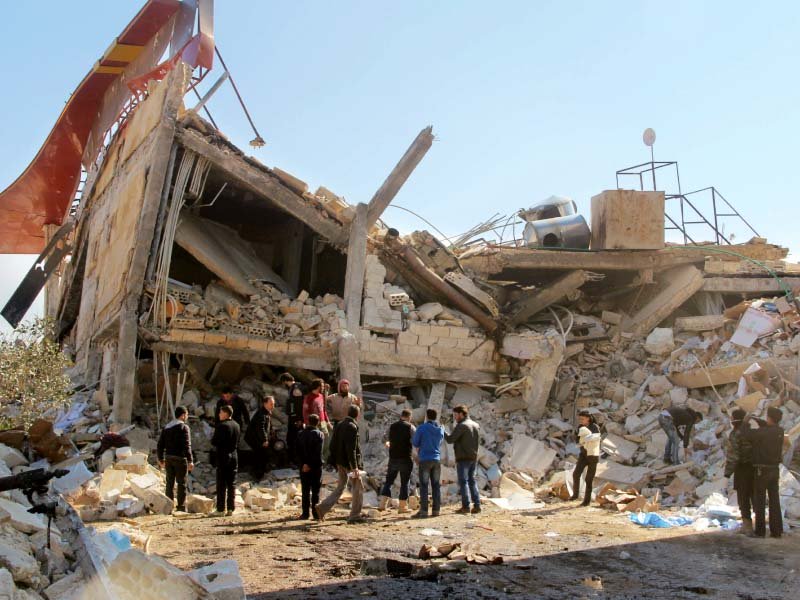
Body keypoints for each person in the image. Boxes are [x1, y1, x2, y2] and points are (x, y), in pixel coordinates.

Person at [315, 405, 365, 523]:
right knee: (358, 487)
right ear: (357, 415)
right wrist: (354, 467)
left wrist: (335, 461)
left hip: (340, 462)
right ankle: (355, 515)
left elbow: (333, 445)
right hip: (349, 464)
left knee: (341, 486)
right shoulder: (352, 427)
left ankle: (322, 508)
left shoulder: (339, 425)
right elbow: (351, 449)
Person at [742, 406, 785, 538]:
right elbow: (767, 428)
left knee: (759, 500)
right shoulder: (780, 431)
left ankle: (760, 531)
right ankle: (776, 531)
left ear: (770, 418)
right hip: (774, 469)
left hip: (762, 470)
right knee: (774, 500)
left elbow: (747, 434)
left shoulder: (763, 433)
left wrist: (745, 421)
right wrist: (759, 420)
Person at [445, 405, 482, 515]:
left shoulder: (461, 426)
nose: (455, 417)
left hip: (463, 458)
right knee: (472, 481)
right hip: (473, 457)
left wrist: (443, 431)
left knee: (464, 482)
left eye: (456, 415)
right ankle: (477, 505)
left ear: (461, 414)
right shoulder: (476, 425)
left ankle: (465, 507)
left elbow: (451, 439)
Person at [157, 405, 194, 513]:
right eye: (186, 414)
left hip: (168, 458)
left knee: (169, 483)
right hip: (180, 458)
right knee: (181, 483)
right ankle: (181, 507)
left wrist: (161, 458)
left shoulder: (167, 427)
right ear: (183, 415)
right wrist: (190, 460)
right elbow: (187, 445)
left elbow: (160, 445)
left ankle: (168, 507)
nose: (187, 417)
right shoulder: (184, 427)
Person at [378, 409, 416, 514]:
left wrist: (388, 443)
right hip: (405, 458)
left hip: (393, 458)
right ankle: (402, 507)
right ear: (409, 417)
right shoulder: (411, 427)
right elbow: (416, 441)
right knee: (405, 482)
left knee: (389, 481)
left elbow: (384, 438)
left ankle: (382, 504)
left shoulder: (392, 426)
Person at [724, 408, 754, 536]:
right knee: (755, 496)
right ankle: (759, 526)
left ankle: (747, 526)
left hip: (742, 469)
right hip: (754, 468)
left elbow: (734, 456)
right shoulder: (751, 432)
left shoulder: (735, 434)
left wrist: (727, 473)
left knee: (743, 497)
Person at [412, 408, 445, 519]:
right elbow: (440, 441)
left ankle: (424, 511)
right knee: (436, 485)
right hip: (436, 459)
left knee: (424, 485)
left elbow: (415, 442)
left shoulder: (422, 428)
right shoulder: (440, 429)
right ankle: (436, 510)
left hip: (425, 459)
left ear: (426, 416)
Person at [211, 405, 240, 516]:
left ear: (226, 413)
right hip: (234, 456)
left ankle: (220, 509)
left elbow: (214, 441)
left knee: (221, 484)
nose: (219, 414)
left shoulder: (221, 426)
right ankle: (231, 509)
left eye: (220, 412)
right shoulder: (236, 425)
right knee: (232, 484)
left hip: (223, 456)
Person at [570, 410, 601, 507]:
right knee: (576, 474)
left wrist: (590, 437)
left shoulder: (594, 427)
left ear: (588, 418)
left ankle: (586, 501)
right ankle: (575, 495)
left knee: (589, 479)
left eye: (582, 419)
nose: (581, 421)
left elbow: (598, 438)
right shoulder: (580, 427)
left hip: (593, 456)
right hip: (583, 454)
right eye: (580, 419)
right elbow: (577, 439)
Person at [297, 414, 324, 520]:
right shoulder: (319, 434)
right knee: (315, 491)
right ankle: (316, 514)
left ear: (308, 421)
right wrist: (311, 465)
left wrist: (304, 464)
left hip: (303, 467)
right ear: (317, 422)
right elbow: (318, 453)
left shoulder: (300, 434)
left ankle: (305, 513)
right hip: (315, 467)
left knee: (305, 490)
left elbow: (297, 451)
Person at [245, 395, 274, 480]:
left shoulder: (266, 412)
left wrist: (272, 432)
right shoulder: (261, 414)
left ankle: (258, 472)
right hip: (255, 438)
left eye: (273, 404)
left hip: (258, 438)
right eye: (271, 404)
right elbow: (260, 428)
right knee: (260, 456)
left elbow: (268, 425)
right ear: (265, 403)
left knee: (261, 455)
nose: (273, 406)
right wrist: (265, 440)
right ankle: (258, 475)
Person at [280, 373, 305, 465]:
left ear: (285, 381)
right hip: (293, 417)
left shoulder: (296, 388)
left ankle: (296, 460)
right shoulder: (293, 388)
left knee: (295, 439)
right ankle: (293, 459)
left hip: (296, 418)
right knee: (291, 439)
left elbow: (299, 405)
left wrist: (299, 419)